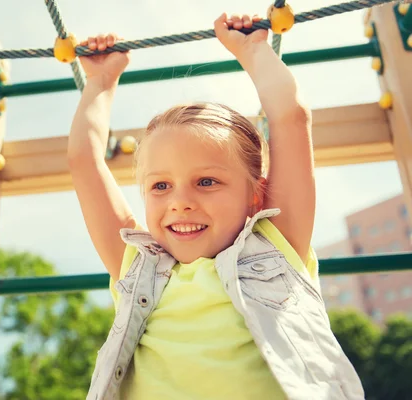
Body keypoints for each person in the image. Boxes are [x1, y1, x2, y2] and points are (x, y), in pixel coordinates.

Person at [67, 12, 363, 400]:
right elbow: (84, 162)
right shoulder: (137, 268)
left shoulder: (276, 246)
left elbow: (291, 119)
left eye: (206, 182)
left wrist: (254, 50)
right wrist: (100, 82)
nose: (180, 202)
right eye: (160, 186)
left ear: (256, 193)